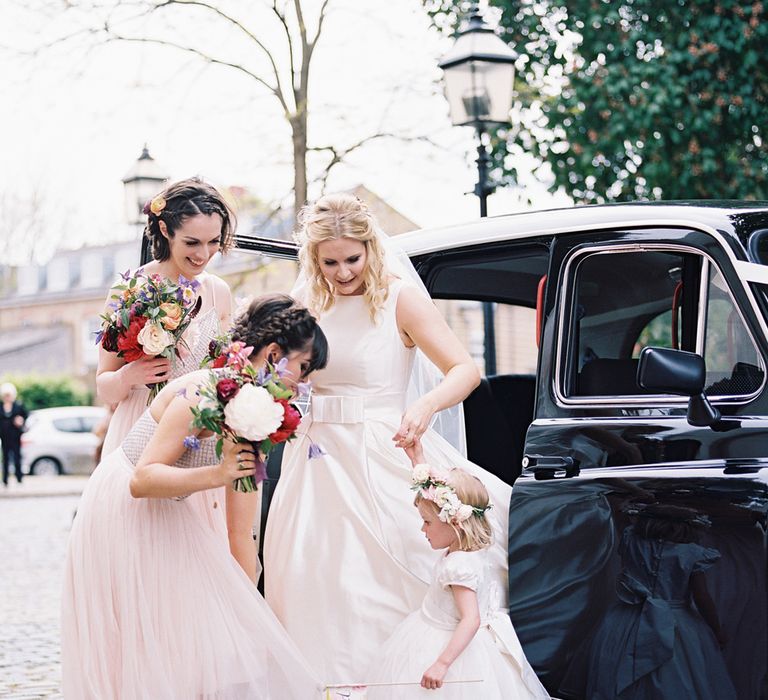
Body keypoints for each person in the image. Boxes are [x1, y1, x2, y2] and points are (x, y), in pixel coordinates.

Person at [264, 192, 513, 684]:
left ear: (371, 248)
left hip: (384, 449)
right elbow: (286, 375)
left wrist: (423, 406)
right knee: (315, 579)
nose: (342, 272)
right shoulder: (307, 305)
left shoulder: (399, 297)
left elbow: (463, 369)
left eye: (352, 259)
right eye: (329, 261)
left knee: (395, 574)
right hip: (316, 460)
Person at [61, 295, 328, 699]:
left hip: (167, 510)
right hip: (123, 508)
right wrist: (218, 473)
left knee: (198, 634)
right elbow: (142, 479)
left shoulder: (254, 413)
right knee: (154, 637)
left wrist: (248, 616)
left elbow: (241, 533)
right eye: (303, 367)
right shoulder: (201, 391)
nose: (304, 383)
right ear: (274, 354)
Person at [362, 437, 548, 699]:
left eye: (427, 522)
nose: (422, 529)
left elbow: (471, 620)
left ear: (454, 523)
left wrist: (442, 664)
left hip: (446, 642)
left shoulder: (459, 567)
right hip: (439, 630)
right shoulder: (474, 547)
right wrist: (417, 458)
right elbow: (439, 494)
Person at [97, 177, 235, 459]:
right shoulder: (129, 290)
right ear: (165, 229)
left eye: (213, 242)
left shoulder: (219, 292)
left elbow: (226, 372)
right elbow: (104, 387)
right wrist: (128, 375)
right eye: (192, 242)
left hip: (196, 432)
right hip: (137, 430)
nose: (203, 254)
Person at [0, 382, 28, 486]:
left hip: (15, 436)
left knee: (17, 457)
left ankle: (19, 478)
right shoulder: (1, 406)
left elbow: (26, 416)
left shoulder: (18, 406)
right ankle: (5, 480)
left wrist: (21, 421)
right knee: (5, 458)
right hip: (4, 437)